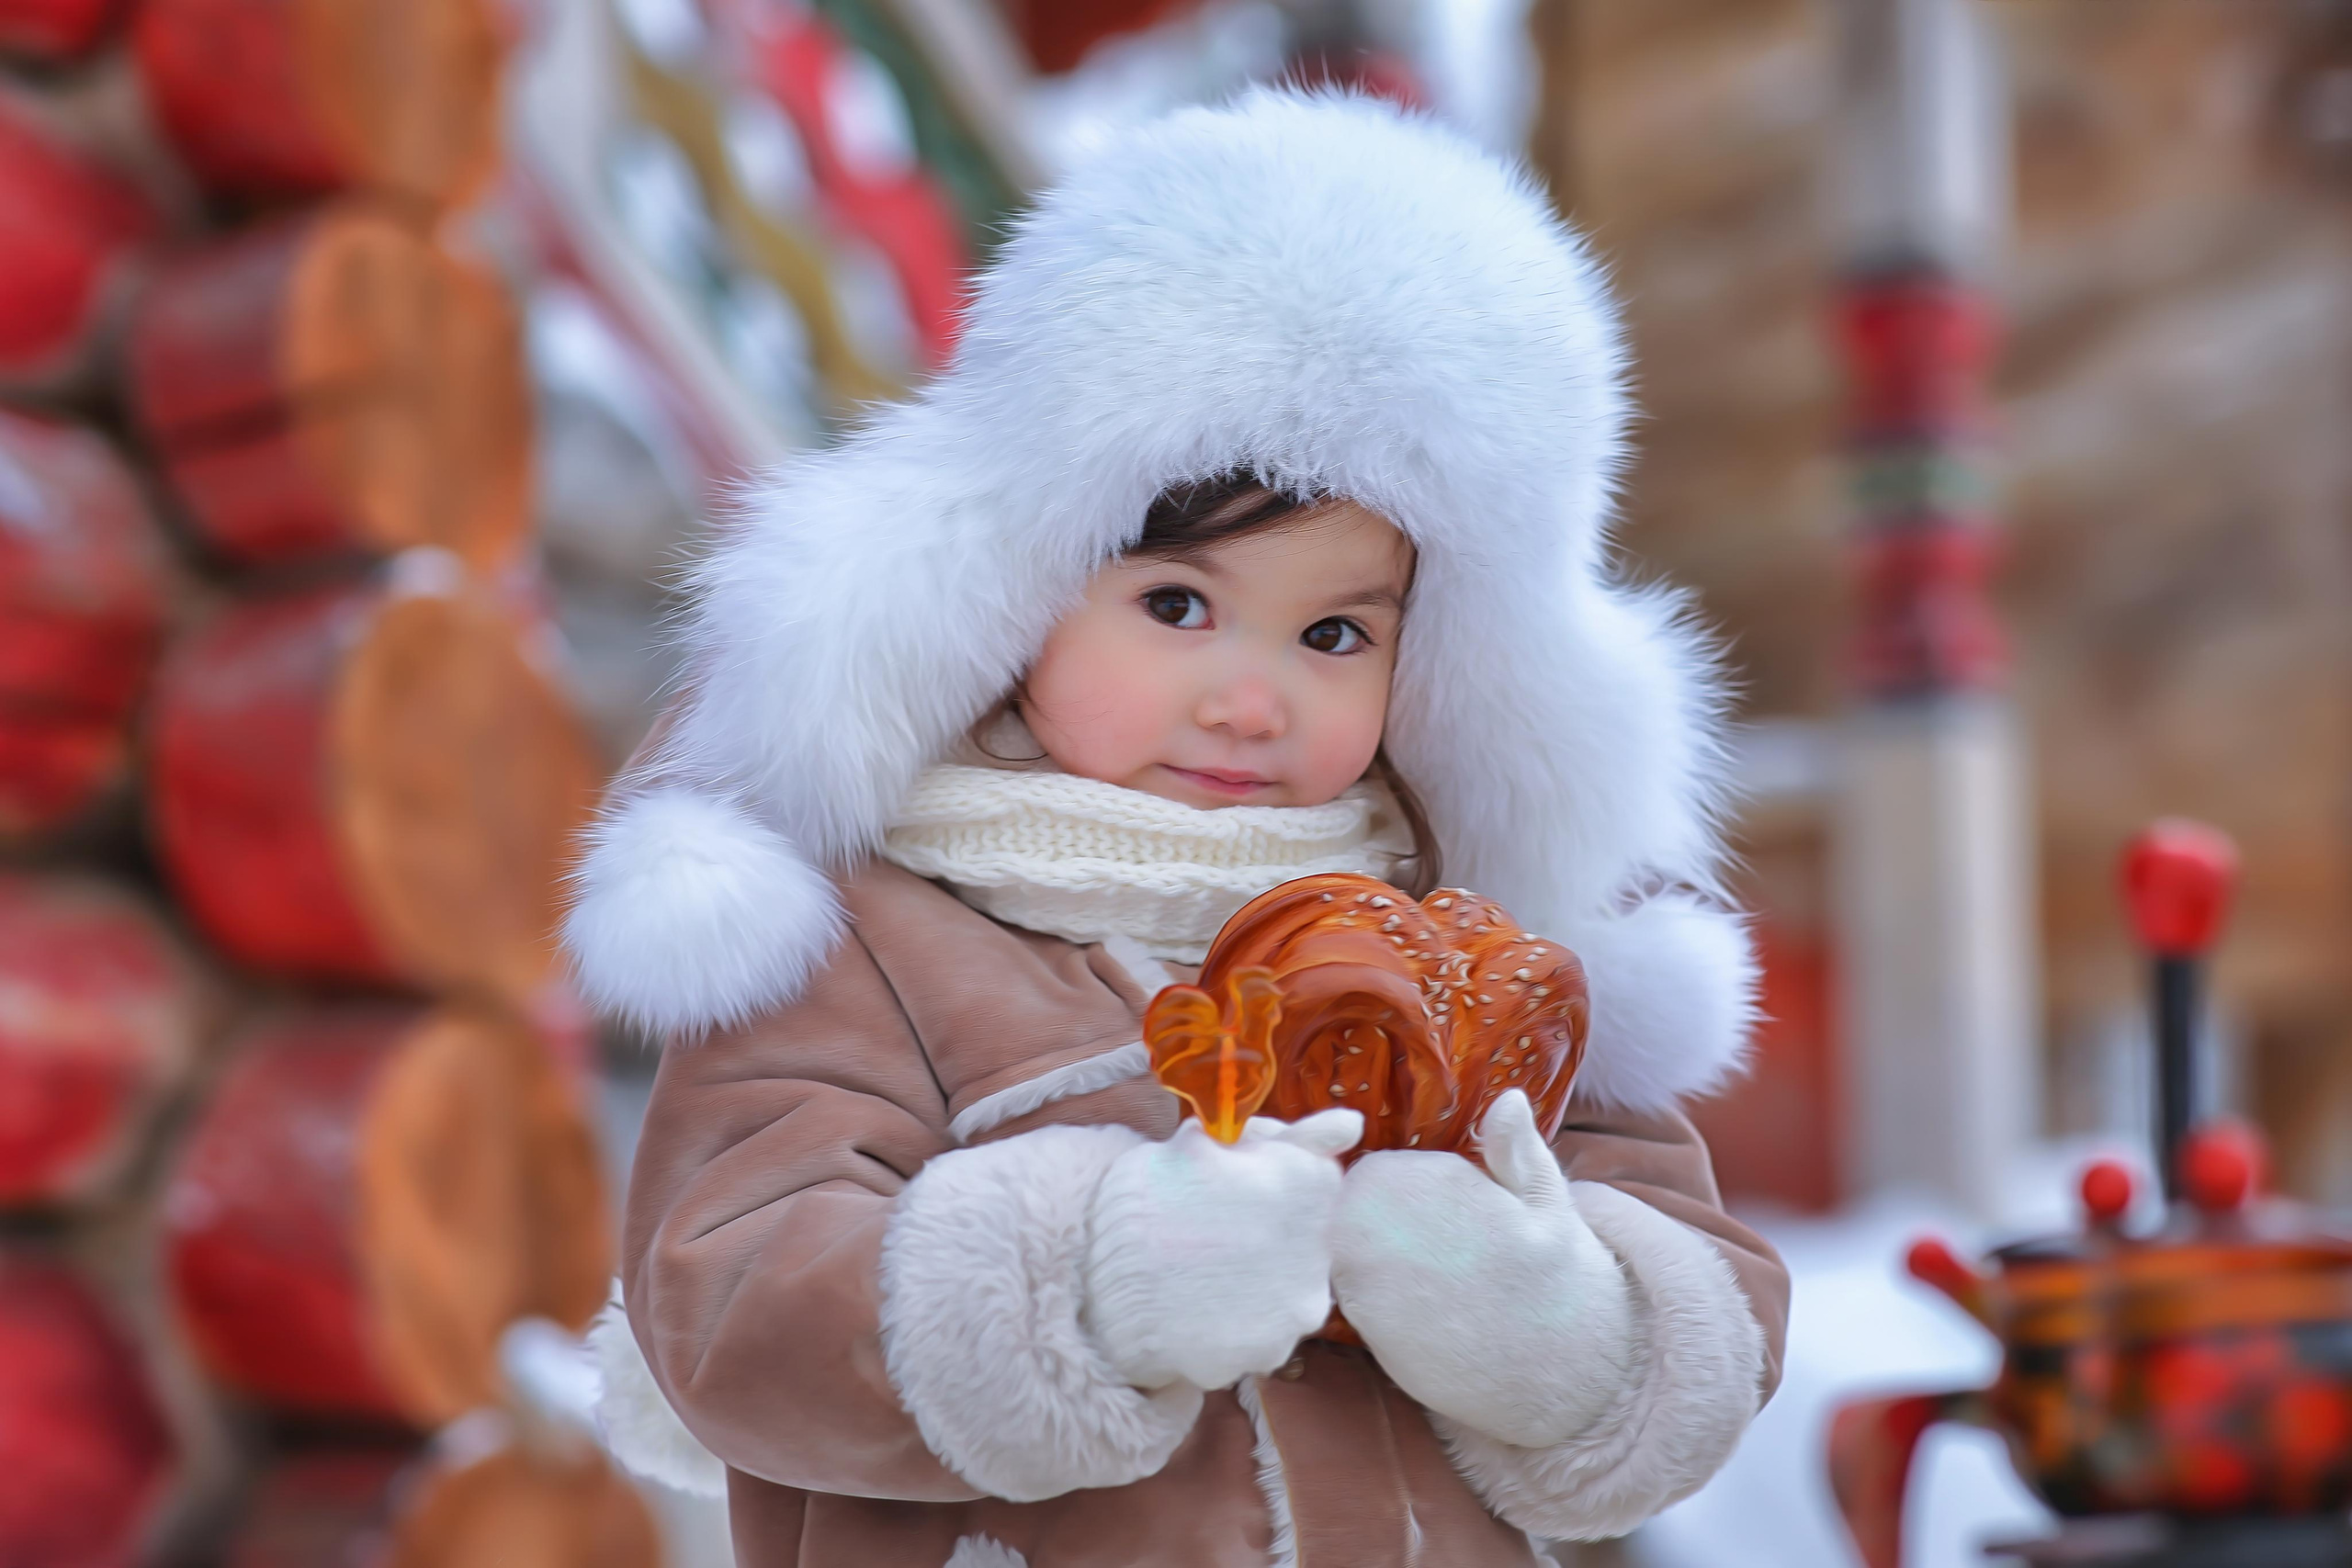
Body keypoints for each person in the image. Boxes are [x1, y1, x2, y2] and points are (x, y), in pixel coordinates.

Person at [567, 89, 1788, 1568]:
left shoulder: (1465, 942)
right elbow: (734, 1291)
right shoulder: (874, 924)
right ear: (1018, 586)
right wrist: (1090, 1280)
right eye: (1177, 606)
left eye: (1334, 633)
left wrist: (1557, 1321)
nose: (1251, 699)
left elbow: (1702, 1286)